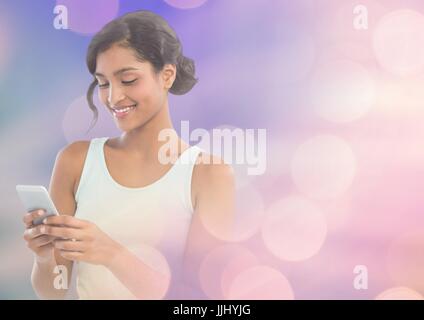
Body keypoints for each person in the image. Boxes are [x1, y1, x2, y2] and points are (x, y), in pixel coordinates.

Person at [22, 10, 234, 299]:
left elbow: (199, 299)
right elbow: (54, 291)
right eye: (104, 83)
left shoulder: (208, 174)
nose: (113, 98)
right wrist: (45, 258)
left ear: (167, 75)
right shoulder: (75, 161)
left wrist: (111, 253)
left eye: (129, 80)